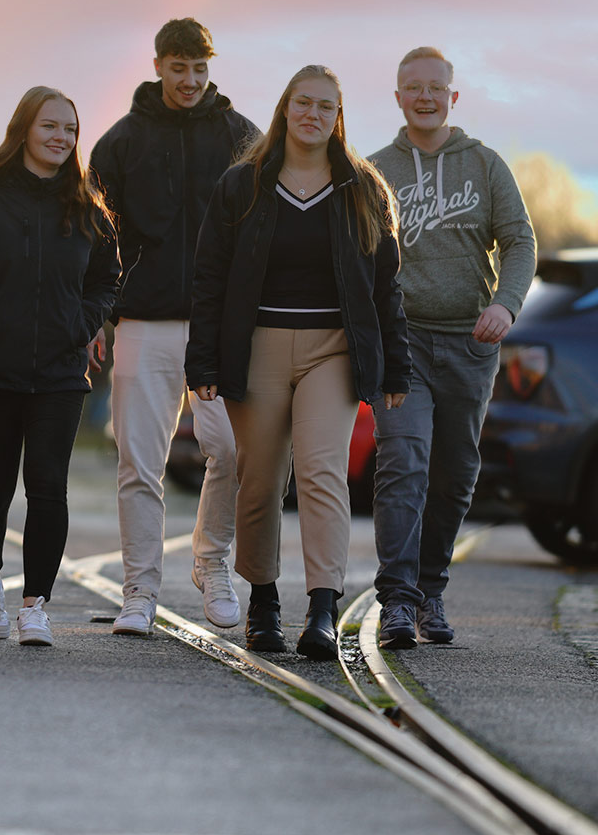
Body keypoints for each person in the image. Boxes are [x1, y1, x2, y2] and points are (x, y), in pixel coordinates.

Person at [187, 64, 409, 660]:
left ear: (339, 118)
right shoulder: (243, 184)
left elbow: (385, 285)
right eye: (303, 103)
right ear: (286, 108)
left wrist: (397, 366)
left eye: (325, 106)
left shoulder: (362, 188)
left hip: (332, 350)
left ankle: (322, 608)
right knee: (259, 477)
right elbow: (209, 277)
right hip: (256, 345)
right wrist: (201, 361)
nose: (313, 114)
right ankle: (263, 603)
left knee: (321, 471)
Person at [0, 87, 121, 648]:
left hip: (61, 374)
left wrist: (82, 324)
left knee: (48, 487)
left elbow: (107, 280)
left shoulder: (87, 207)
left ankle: (36, 605)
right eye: (50, 126)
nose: (62, 137)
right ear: (24, 130)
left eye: (70, 129)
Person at [88, 18, 256, 636]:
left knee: (231, 449)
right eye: (179, 68)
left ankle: (211, 562)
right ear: (158, 65)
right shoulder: (119, 143)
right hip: (142, 321)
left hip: (220, 325)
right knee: (140, 463)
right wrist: (98, 316)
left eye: (200, 68)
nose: (190, 80)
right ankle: (140, 591)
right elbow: (94, 240)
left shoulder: (243, 138)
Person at [366, 47, 535, 649]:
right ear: (398, 97)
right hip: (402, 343)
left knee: (455, 474)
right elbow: (355, 257)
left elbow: (520, 242)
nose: (425, 97)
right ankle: (397, 600)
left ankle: (430, 590)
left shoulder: (485, 165)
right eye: (413, 88)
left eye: (435, 88)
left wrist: (505, 304)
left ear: (452, 97)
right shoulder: (374, 171)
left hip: (470, 344)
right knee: (403, 462)